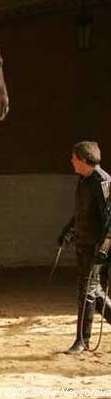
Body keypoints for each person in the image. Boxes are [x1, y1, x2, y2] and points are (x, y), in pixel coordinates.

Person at [59, 141, 111, 354]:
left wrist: (104, 250)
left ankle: (82, 341)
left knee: (86, 291)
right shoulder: (83, 181)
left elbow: (110, 221)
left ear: (82, 159)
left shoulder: (103, 182)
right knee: (94, 290)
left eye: (73, 158)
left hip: (97, 246)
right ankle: (83, 339)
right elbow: (82, 213)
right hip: (84, 244)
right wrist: (69, 232)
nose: (71, 161)